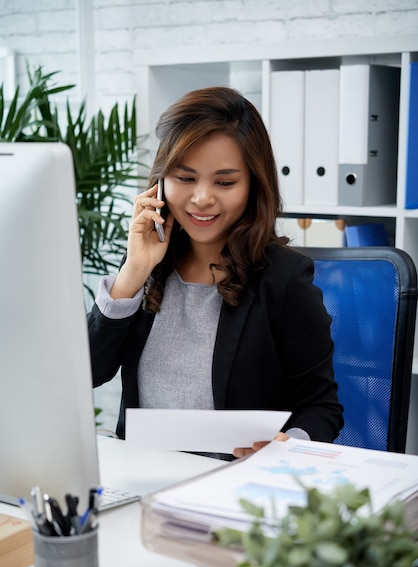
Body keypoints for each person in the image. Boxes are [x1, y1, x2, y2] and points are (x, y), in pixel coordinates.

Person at [88, 86, 343, 459]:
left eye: (224, 182)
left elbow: (323, 408)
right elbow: (87, 375)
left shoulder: (284, 279)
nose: (202, 198)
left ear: (253, 185)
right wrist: (135, 270)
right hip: (143, 479)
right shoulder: (148, 269)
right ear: (160, 183)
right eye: (185, 178)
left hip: (234, 488)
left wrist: (289, 447)